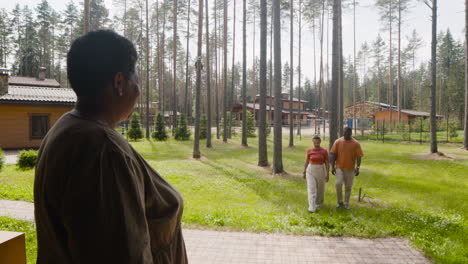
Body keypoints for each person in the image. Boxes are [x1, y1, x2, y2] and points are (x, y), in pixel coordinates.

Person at [34, 30, 187, 263]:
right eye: (135, 76)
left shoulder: (65, 128)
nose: (139, 89)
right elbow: (123, 253)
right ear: (119, 82)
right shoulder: (104, 151)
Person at [330, 127, 364, 210]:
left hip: (350, 168)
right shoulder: (338, 142)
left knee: (348, 187)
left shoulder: (356, 143)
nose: (346, 135)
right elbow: (333, 154)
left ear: (351, 133)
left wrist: (358, 167)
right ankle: (339, 202)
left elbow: (359, 156)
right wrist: (332, 166)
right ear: (343, 133)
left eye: (348, 133)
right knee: (338, 183)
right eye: (345, 133)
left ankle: (346, 203)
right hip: (339, 167)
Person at [303, 136, 329, 213]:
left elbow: (327, 163)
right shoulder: (309, 150)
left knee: (321, 188)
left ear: (320, 142)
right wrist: (304, 172)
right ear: (312, 142)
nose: (316, 144)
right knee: (311, 188)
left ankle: (319, 203)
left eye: (317, 143)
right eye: (315, 143)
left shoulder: (324, 151)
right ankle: (312, 206)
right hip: (310, 170)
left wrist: (327, 174)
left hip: (320, 169)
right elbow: (307, 161)